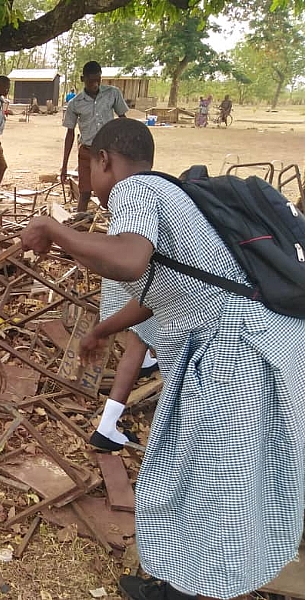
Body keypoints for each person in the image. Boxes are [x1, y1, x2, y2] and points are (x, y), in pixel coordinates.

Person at [21, 117, 305, 600]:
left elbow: (128, 260)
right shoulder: (168, 195)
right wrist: (102, 329)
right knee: (199, 469)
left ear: (105, 160)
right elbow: (158, 291)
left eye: (89, 166)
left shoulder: (137, 191)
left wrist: (54, 227)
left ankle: (193, 588)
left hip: (240, 354)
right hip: (258, 346)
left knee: (216, 480)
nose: (88, 178)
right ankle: (184, 582)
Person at [91, 278, 159, 451]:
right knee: (139, 340)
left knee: (137, 331)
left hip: (120, 273)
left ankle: (145, 363)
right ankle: (106, 427)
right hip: (144, 278)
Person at [62, 61, 128, 213]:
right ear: (82, 79)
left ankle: (117, 225)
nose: (95, 84)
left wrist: (124, 146)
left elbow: (123, 120)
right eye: (91, 80)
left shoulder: (113, 93)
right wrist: (64, 165)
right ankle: (79, 227)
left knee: (114, 190)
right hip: (87, 152)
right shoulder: (75, 103)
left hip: (110, 150)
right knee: (84, 192)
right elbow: (70, 133)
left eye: (98, 80)